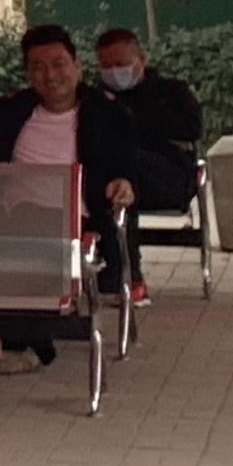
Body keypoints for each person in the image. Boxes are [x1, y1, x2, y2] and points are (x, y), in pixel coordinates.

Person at [0, 24, 158, 367]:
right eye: (38, 67)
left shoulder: (108, 114)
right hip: (9, 217)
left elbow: (127, 169)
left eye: (58, 64)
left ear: (77, 67)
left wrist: (123, 185)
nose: (50, 75)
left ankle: (16, 343)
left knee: (26, 244)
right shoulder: (15, 111)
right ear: (28, 74)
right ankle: (8, 340)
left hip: (73, 221)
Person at [92, 28, 205, 298]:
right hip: (115, 182)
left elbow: (191, 129)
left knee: (126, 162)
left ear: (141, 60)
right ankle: (121, 270)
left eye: (120, 64)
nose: (114, 72)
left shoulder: (171, 92)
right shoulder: (95, 99)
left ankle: (128, 274)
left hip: (169, 177)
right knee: (111, 174)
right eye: (106, 66)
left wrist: (128, 122)